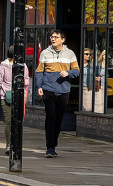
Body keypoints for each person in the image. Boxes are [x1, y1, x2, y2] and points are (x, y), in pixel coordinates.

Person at [35, 29, 79, 157]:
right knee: (51, 117)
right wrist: (39, 86)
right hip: (48, 89)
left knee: (58, 119)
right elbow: (39, 71)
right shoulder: (45, 53)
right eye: (52, 37)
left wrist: (68, 73)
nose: (53, 39)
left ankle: (53, 144)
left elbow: (77, 71)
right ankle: (50, 147)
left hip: (64, 90)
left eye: (56, 37)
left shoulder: (70, 54)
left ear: (62, 40)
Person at [0, 46, 31, 154]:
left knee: (17, 121)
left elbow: (27, 80)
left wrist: (21, 81)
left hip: (19, 96)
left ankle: (16, 144)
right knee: (8, 121)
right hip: (6, 96)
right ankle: (9, 145)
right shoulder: (4, 65)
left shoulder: (24, 65)